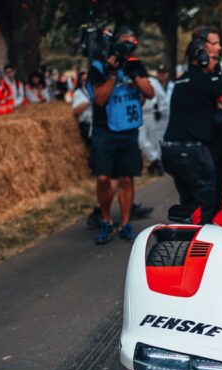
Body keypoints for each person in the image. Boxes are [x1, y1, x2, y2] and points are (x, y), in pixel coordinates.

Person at [163, 26, 222, 224]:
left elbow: (200, 106)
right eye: (214, 45)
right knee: (206, 204)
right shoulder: (207, 79)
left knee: (189, 203)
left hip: (172, 151)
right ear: (201, 53)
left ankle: (184, 242)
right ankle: (203, 246)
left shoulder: (182, 81)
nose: (218, 49)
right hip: (195, 151)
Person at [87, 26, 155, 244]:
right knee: (104, 178)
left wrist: (133, 74)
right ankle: (105, 220)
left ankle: (125, 224)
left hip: (129, 129)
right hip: (104, 130)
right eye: (124, 43)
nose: (128, 47)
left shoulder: (135, 64)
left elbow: (149, 93)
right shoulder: (99, 67)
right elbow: (99, 99)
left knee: (127, 178)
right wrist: (113, 73)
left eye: (132, 44)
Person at [139, 65, 170, 175]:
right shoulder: (133, 82)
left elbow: (162, 98)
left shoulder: (152, 81)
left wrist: (160, 111)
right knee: (141, 140)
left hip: (152, 114)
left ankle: (155, 164)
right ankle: (154, 160)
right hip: (140, 114)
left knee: (154, 141)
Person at [71, 71, 92, 145]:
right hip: (86, 124)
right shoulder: (78, 93)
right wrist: (89, 101)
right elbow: (75, 111)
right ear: (80, 81)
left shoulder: (92, 90)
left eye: (88, 80)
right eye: (84, 80)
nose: (86, 82)